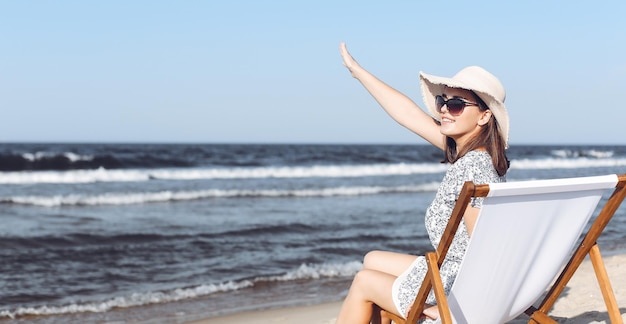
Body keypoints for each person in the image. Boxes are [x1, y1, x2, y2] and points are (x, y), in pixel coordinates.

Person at [336, 42, 510, 323]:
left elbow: (485, 253)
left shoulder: (472, 170)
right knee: (373, 259)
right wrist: (358, 71)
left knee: (364, 281)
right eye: (443, 101)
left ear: (484, 115)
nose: (443, 110)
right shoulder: (477, 156)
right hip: (449, 271)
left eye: (455, 105)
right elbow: (408, 115)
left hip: (458, 291)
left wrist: (444, 309)